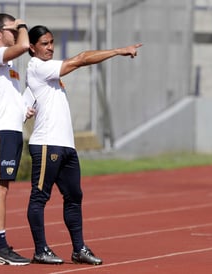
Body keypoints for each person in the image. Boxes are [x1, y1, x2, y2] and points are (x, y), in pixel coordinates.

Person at [25, 25, 142, 265]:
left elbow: (27, 101)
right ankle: (40, 250)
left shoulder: (49, 75)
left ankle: (79, 249)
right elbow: (80, 59)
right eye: (44, 43)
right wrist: (119, 51)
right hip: (47, 144)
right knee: (39, 198)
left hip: (66, 146)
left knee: (74, 196)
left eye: (51, 42)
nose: (50, 47)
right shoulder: (38, 66)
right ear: (32, 48)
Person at [0, 13, 34, 266]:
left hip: (11, 129)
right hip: (0, 130)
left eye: (17, 29)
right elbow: (24, 45)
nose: (17, 33)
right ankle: (0, 246)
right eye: (12, 29)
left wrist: (24, 109)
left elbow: (7, 99)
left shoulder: (8, 68)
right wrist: (23, 25)